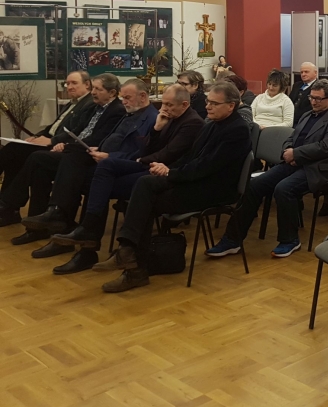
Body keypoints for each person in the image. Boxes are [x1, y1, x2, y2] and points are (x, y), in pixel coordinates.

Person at [94, 82, 252, 292]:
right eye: (208, 101)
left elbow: (207, 166)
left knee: (146, 202)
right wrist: (167, 168)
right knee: (145, 183)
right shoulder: (212, 124)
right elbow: (191, 157)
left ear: (231, 106)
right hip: (197, 181)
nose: (208, 106)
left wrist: (172, 173)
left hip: (214, 190)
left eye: (214, 103)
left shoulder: (237, 130)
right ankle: (129, 254)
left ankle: (133, 264)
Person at [48, 83, 204, 268]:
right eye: (163, 103)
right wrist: (156, 129)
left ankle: (89, 239)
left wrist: (140, 160)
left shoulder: (192, 122)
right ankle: (87, 229)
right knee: (104, 167)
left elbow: (169, 153)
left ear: (184, 104)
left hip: (163, 171)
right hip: (150, 165)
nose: (164, 108)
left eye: (169, 105)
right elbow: (150, 148)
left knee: (97, 184)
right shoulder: (169, 118)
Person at [20, 79, 159, 264]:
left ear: (142, 96)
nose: (123, 101)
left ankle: (80, 241)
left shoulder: (152, 118)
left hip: (123, 167)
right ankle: (59, 222)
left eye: (127, 97)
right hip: (105, 160)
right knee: (66, 160)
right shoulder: (130, 113)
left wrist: (109, 155)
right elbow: (111, 139)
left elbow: (141, 154)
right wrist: (98, 148)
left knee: (83, 178)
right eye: (122, 97)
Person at [207, 80, 328, 259]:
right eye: (312, 97)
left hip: (317, 168)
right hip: (293, 162)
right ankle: (232, 239)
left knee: (284, 189)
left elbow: (326, 147)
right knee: (254, 186)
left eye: (319, 99)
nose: (314, 102)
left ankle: (290, 240)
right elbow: (292, 137)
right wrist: (287, 151)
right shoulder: (307, 115)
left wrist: (296, 154)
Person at [4, 73, 127, 247]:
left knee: (38, 157)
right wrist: (63, 142)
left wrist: (67, 145)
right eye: (93, 88)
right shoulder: (95, 107)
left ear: (112, 92)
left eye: (98, 89)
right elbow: (76, 130)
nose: (93, 92)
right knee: (39, 169)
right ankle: (37, 226)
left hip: (88, 155)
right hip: (75, 150)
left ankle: (15, 204)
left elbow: (99, 138)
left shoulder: (116, 110)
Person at [0, 70, 93, 227]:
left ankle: (7, 204)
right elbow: (53, 126)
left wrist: (51, 140)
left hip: (59, 147)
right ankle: (9, 209)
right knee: (14, 153)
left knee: (15, 152)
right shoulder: (73, 102)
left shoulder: (89, 104)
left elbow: (77, 131)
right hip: (49, 141)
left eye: (74, 83)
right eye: (67, 83)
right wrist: (37, 136)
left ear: (87, 84)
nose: (69, 86)